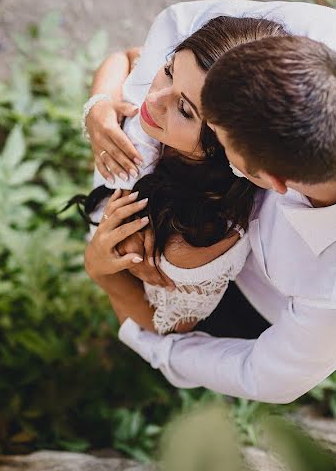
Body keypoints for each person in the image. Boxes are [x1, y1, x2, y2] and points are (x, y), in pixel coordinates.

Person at [83, 0, 336, 403]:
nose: (158, 101)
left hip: (253, 303)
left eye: (215, 134)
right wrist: (111, 127)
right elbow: (185, 25)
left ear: (266, 180)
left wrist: (117, 291)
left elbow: (257, 374)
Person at [72, 17, 286, 335]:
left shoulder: (192, 239)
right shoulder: (178, 90)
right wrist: (99, 107)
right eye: (169, 69)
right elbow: (125, 57)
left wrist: (101, 269)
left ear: (225, 148)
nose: (154, 99)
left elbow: (163, 328)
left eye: (184, 110)